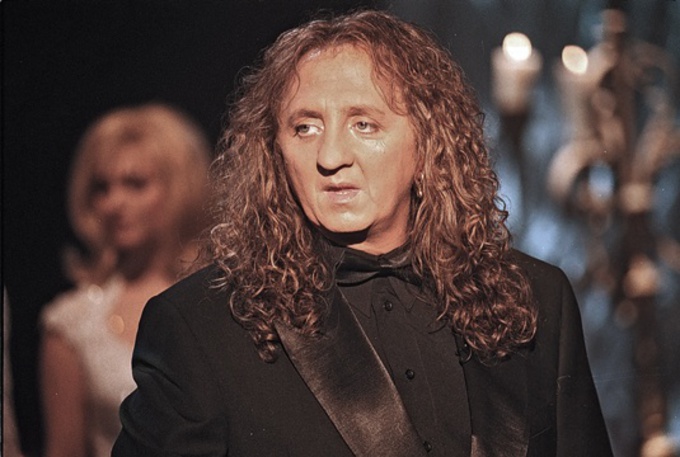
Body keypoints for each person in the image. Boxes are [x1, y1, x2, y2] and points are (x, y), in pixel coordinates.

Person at [113, 11, 613, 456]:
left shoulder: (536, 298)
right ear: (274, 151)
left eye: (364, 124)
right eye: (305, 127)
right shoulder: (201, 326)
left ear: (429, 144)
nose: (331, 156)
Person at [39, 103, 211, 457]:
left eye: (135, 184)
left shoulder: (217, 299)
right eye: (102, 188)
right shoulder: (72, 323)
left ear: (179, 188)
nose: (114, 203)